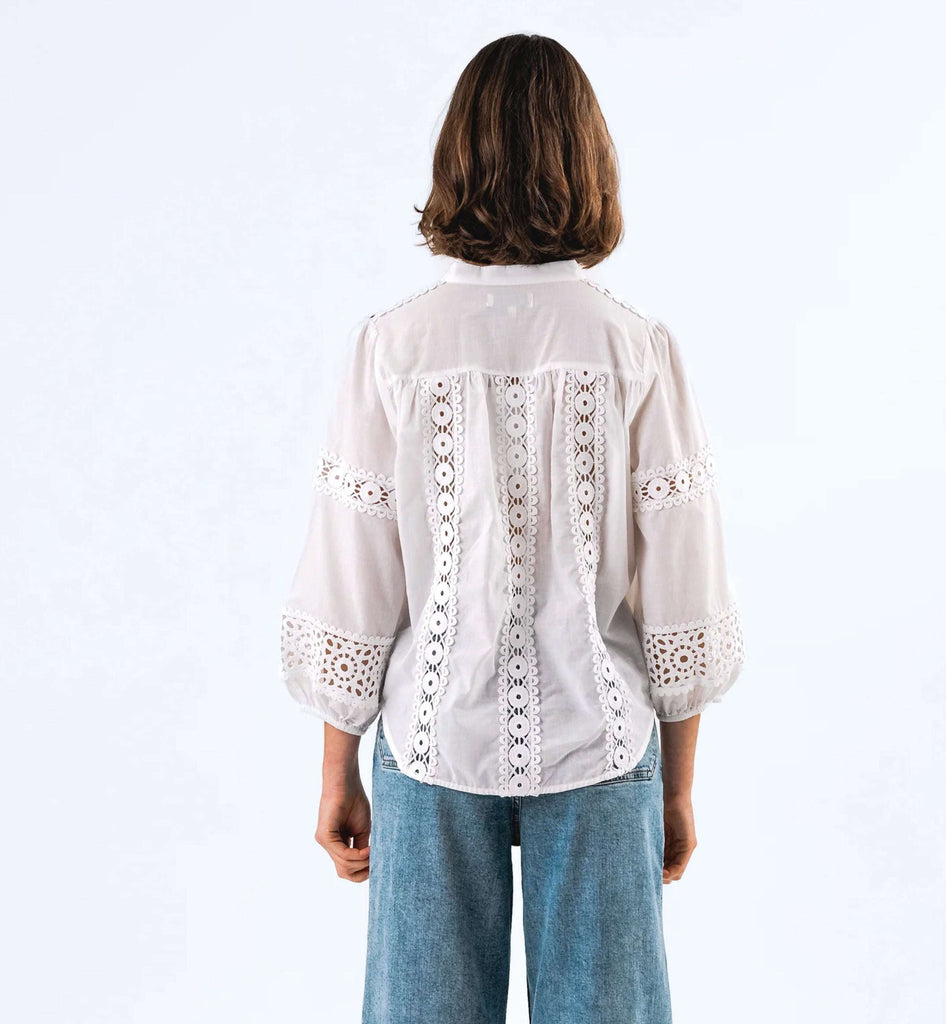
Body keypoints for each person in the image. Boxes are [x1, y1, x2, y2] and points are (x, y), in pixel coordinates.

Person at [279, 32, 745, 1024]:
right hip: (605, 743)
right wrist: (676, 787)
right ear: (587, 160)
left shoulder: (393, 346)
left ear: (457, 158)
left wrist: (336, 771)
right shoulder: (635, 347)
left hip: (430, 741)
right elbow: (683, 587)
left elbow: (353, 574)